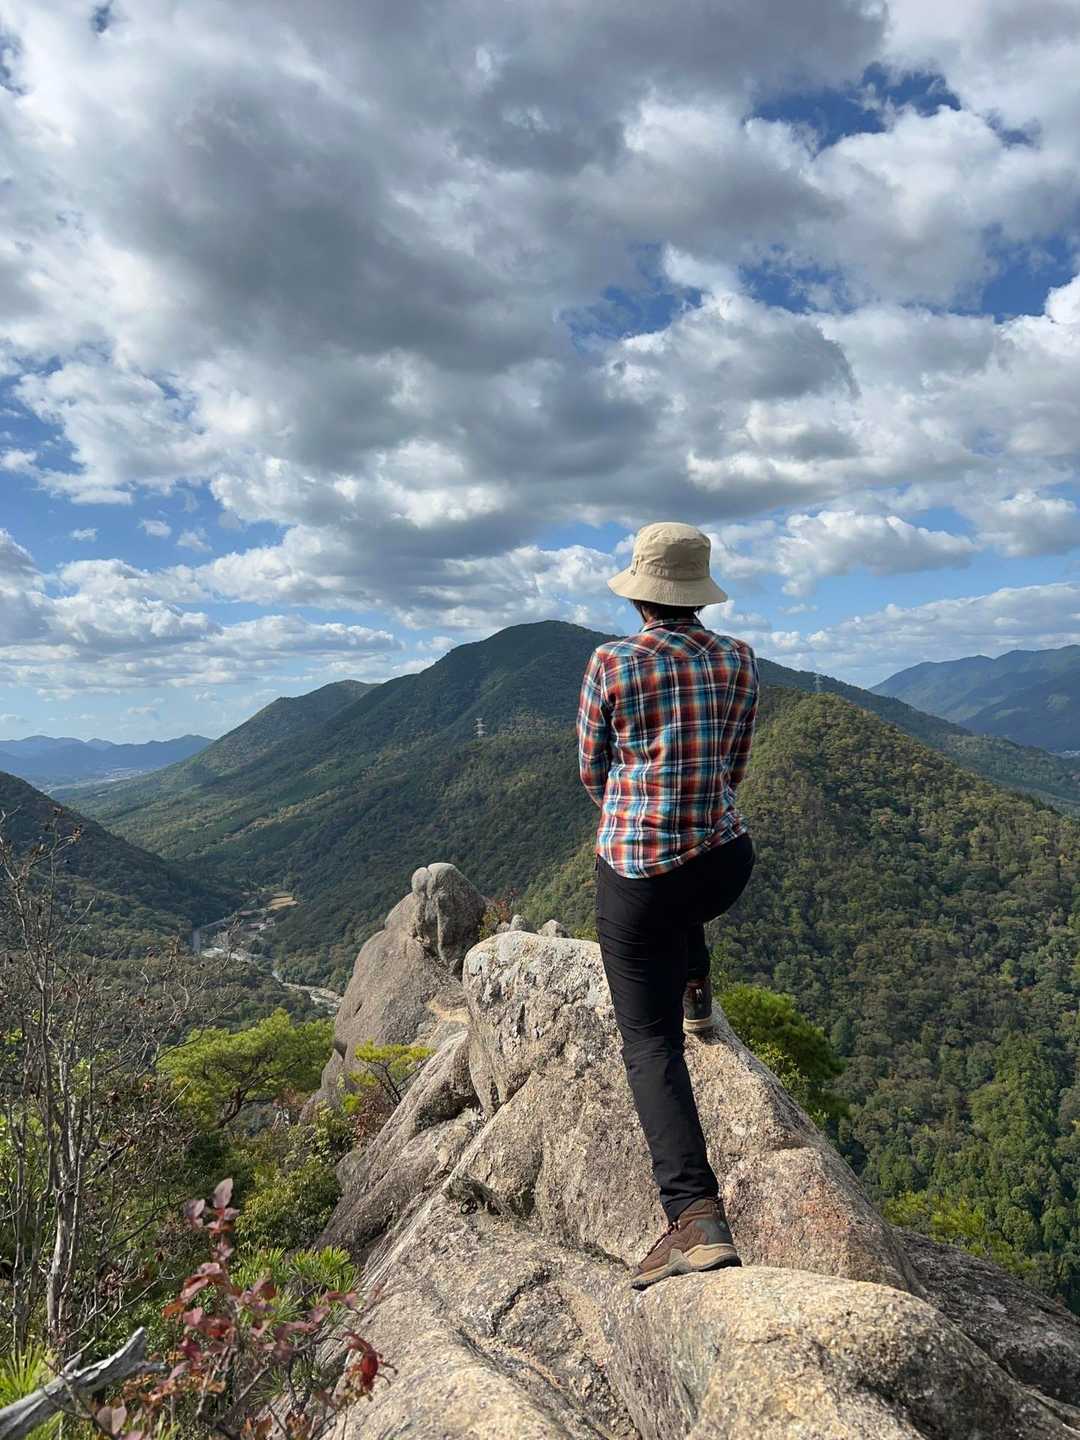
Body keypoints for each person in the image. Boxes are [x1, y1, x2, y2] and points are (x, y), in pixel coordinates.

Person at [576, 520, 758, 1289]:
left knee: (649, 1045)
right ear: (697, 592)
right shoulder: (738, 658)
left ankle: (694, 1217)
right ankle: (695, 985)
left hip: (643, 877)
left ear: (641, 593)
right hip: (724, 863)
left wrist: (634, 811)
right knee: (681, 888)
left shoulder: (612, 662)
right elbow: (734, 765)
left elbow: (592, 770)